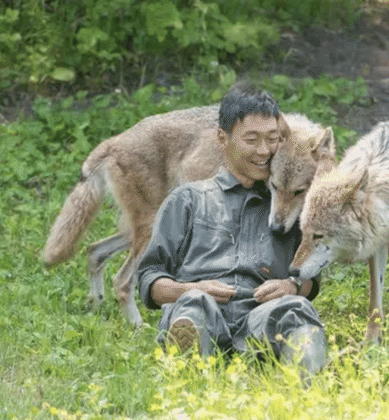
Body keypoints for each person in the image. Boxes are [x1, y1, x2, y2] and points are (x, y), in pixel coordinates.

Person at [136, 82, 325, 376]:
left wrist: (292, 286)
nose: (264, 150)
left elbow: (311, 279)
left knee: (296, 311)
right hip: (205, 308)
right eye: (251, 139)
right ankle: (192, 356)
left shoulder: (287, 206)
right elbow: (150, 280)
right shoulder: (188, 199)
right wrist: (191, 288)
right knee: (193, 306)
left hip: (262, 316)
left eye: (272, 139)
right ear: (222, 139)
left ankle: (307, 383)